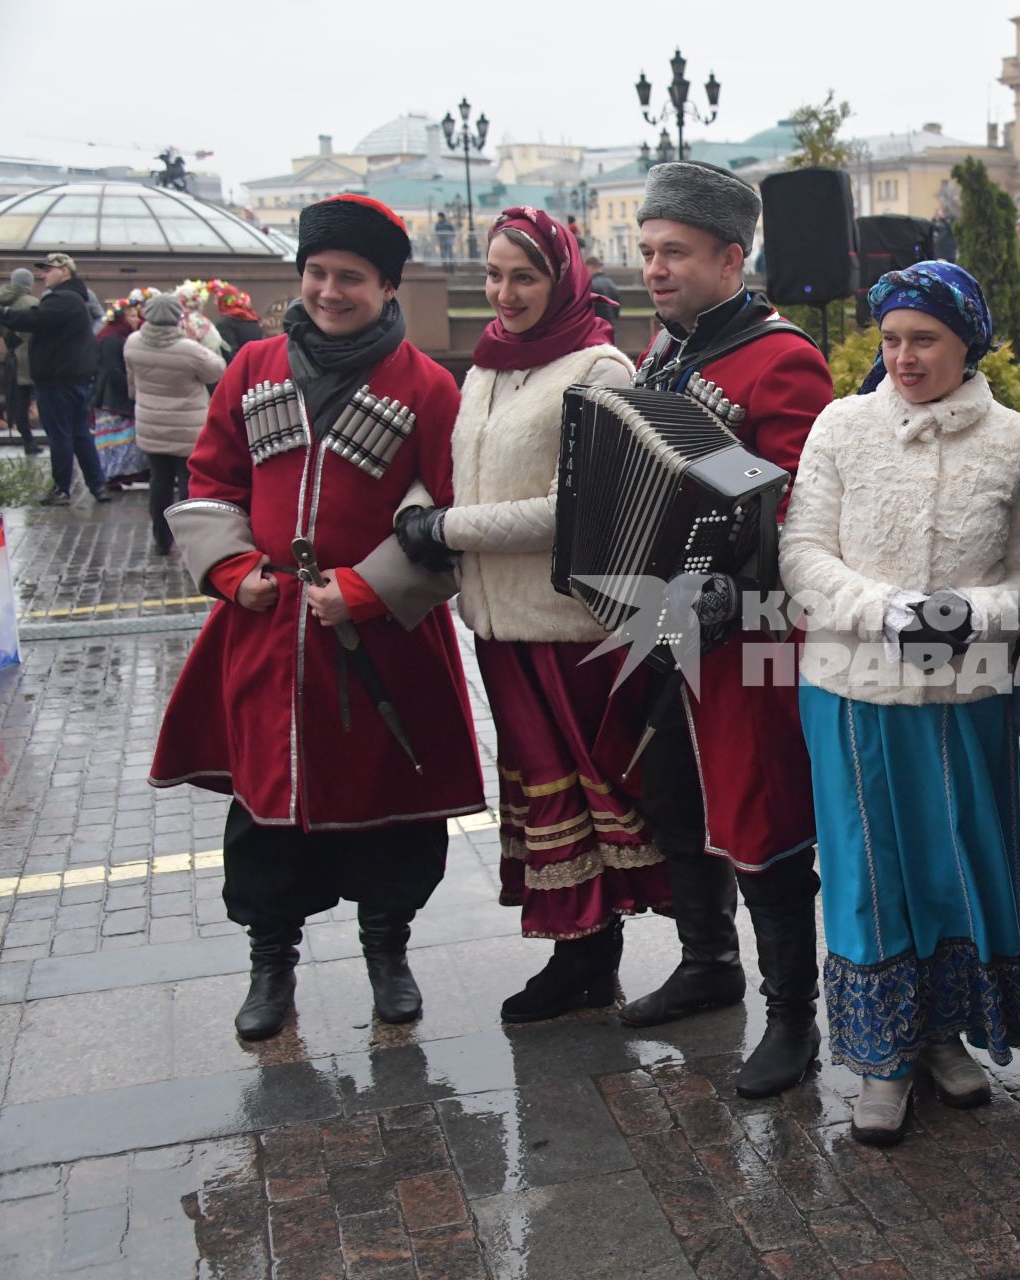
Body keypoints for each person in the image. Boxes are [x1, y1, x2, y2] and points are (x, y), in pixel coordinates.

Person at [149, 194, 484, 1041]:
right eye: (318, 273)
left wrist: (368, 590)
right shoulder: (252, 365)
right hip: (269, 631)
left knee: (395, 807)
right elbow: (211, 479)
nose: (330, 292)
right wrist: (232, 569)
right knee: (265, 810)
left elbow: (451, 514)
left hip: (382, 641)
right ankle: (271, 965)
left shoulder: (428, 386)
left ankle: (388, 953)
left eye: (351, 278)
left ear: (386, 286)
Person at [779, 261, 1020, 1146]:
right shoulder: (842, 426)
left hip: (965, 699)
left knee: (954, 869)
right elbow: (802, 554)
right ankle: (880, 1060)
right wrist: (887, 612)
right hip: (852, 693)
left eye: (924, 339)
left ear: (967, 341)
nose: (903, 356)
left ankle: (941, 1036)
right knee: (867, 873)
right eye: (893, 339)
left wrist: (968, 617)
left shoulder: (1017, 441)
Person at [391, 206, 665, 1021]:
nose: (504, 293)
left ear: (563, 277)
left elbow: (574, 508)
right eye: (494, 274)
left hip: (569, 627)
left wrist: (444, 529)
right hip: (498, 622)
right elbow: (453, 468)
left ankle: (593, 951)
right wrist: (418, 505)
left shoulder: (600, 370)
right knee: (540, 793)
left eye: (525, 276)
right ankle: (574, 950)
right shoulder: (486, 367)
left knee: (586, 791)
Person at [615, 160, 833, 1100]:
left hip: (747, 631)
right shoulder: (665, 354)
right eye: (648, 251)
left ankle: (793, 1020)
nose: (656, 269)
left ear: (731, 257)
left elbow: (802, 504)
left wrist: (729, 585)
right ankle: (709, 964)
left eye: (676, 253)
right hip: (665, 624)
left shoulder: (780, 358)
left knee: (762, 814)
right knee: (670, 792)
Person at [0, 253, 106, 505]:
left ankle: (62, 489)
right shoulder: (74, 297)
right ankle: (98, 486)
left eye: (48, 270)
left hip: (57, 379)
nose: (43, 274)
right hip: (72, 377)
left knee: (60, 434)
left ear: (64, 271)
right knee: (79, 433)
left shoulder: (62, 299)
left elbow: (32, 319)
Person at [126, 292, 225, 556]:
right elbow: (217, 369)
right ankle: (190, 541)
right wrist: (194, 340)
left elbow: (132, 386)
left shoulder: (133, 343)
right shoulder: (189, 349)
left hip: (150, 425)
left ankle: (161, 540)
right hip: (188, 428)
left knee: (158, 482)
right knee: (188, 484)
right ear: (177, 318)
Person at [91, 298, 148, 490]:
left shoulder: (124, 337)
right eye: (131, 316)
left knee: (125, 440)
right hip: (113, 398)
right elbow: (113, 371)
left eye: (136, 315)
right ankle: (111, 475)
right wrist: (131, 387)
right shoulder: (111, 338)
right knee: (114, 440)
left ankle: (123, 474)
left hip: (120, 395)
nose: (136, 320)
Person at [0, 268, 42, 455]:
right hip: (35, 358)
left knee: (18, 402)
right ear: (29, 284)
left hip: (12, 358)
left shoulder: (4, 302)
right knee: (43, 399)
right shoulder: (34, 303)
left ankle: (27, 440)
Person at [208, 280, 267, 361]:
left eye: (216, 299)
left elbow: (229, 354)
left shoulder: (225, 323)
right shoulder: (252, 317)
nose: (215, 302)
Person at [585, 253, 621, 324]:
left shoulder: (591, 285)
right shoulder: (611, 283)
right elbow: (617, 308)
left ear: (589, 267)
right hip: (612, 328)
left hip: (597, 329)